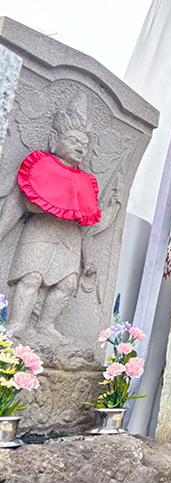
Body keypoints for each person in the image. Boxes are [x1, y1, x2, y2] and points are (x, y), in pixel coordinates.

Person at [0, 93, 101, 342]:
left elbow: (86, 221)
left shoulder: (86, 181)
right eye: (73, 140)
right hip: (41, 231)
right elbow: (18, 202)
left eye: (85, 144)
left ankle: (46, 325)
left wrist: (88, 257)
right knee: (31, 276)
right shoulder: (40, 165)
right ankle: (17, 324)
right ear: (54, 138)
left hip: (69, 236)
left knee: (67, 284)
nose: (80, 147)